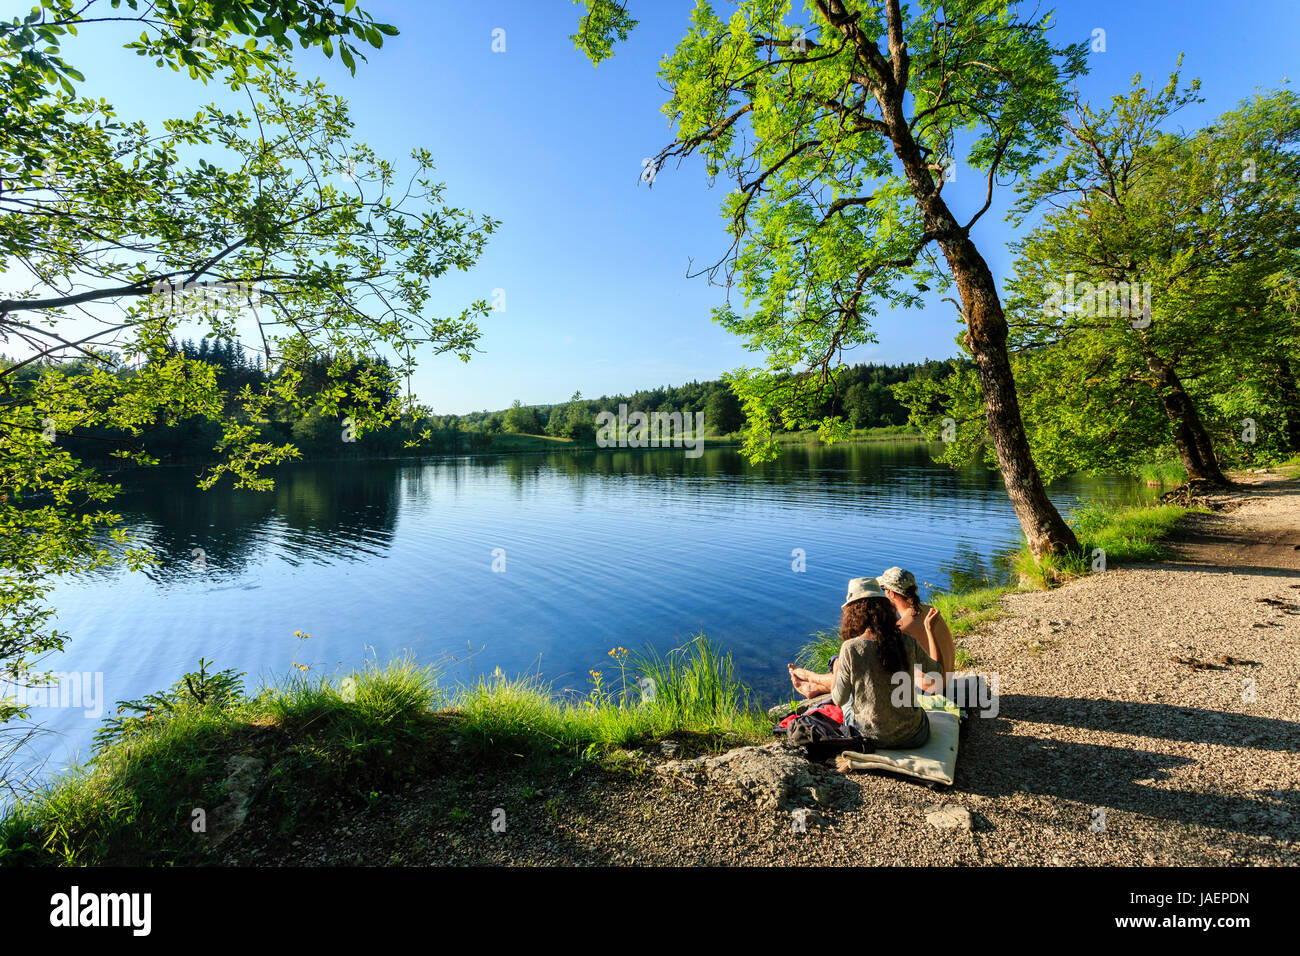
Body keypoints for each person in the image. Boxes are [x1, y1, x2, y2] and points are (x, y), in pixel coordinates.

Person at [829, 576, 943, 748]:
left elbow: (838, 699)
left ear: (852, 612)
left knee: (849, 700)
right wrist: (930, 630)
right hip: (913, 736)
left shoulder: (850, 648)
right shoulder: (908, 642)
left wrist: (837, 669)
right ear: (885, 608)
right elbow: (938, 672)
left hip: (869, 737)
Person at [879, 566, 954, 691]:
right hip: (948, 681)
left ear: (891, 593)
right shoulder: (931, 611)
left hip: (929, 691)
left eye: (884, 589)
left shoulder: (901, 628)